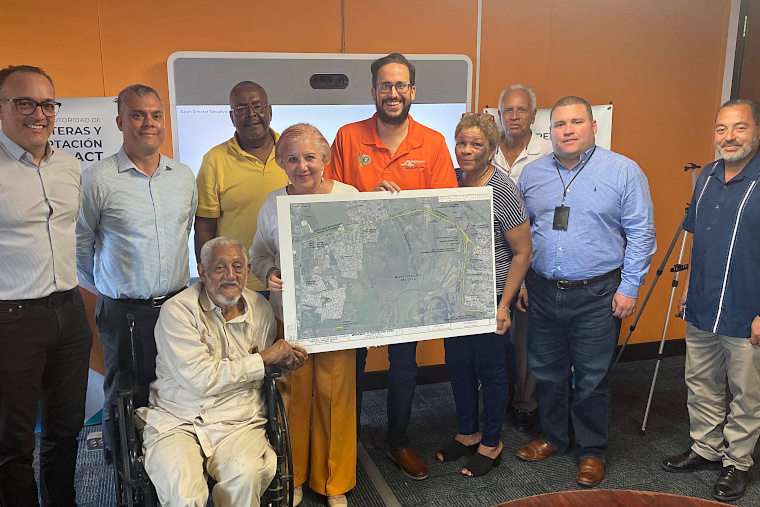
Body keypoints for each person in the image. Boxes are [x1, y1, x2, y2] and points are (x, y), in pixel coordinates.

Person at [324, 52, 457, 480]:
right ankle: (349, 442)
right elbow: (328, 201)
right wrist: (368, 203)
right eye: (386, 85)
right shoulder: (347, 137)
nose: (394, 93)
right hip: (358, 274)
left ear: (413, 92)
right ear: (373, 91)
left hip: (409, 279)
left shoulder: (433, 142)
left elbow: (445, 212)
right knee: (352, 364)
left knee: (404, 367)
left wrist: (405, 212)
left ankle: (398, 441)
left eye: (401, 85)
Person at [515, 96, 656, 487]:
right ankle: (555, 438)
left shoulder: (623, 171)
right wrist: (524, 282)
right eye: (560, 124)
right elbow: (521, 234)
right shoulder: (533, 174)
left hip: (597, 294)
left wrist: (630, 287)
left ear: (593, 126)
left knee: (592, 377)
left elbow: (642, 233)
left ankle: (592, 450)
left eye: (577, 122)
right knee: (547, 372)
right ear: (550, 131)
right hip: (542, 291)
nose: (568, 130)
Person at [136, 236, 308, 507]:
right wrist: (265, 357)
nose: (230, 276)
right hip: (179, 418)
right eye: (220, 268)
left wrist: (282, 365)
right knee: (184, 494)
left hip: (238, 419)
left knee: (245, 476)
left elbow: (263, 370)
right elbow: (201, 379)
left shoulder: (261, 309)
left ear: (248, 271)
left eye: (238, 267)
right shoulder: (177, 311)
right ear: (202, 272)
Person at [76, 84, 197, 462]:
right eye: (138, 115)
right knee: (125, 393)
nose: (149, 123)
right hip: (123, 310)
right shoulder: (98, 178)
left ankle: (171, 461)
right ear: (120, 121)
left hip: (178, 308)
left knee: (175, 388)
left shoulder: (183, 176)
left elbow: (188, 234)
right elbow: (81, 245)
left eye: (156, 115)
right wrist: (111, 289)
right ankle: (123, 465)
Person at [0, 65, 93, 507]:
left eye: (47, 103)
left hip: (69, 314)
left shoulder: (70, 167)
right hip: (12, 319)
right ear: (2, 108)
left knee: (65, 428)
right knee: (13, 442)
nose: (39, 113)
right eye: (24, 102)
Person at [251, 123, 358, 507]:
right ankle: (292, 477)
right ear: (281, 162)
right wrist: (268, 272)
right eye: (292, 158)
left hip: (338, 319)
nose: (302, 166)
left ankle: (334, 482)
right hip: (291, 320)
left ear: (325, 159)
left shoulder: (349, 197)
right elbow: (259, 253)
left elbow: (366, 260)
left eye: (310, 157)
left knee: (336, 397)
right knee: (292, 398)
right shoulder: (272, 204)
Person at [661, 98, 760, 502]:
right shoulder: (706, 175)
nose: (729, 136)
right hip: (702, 301)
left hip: (744, 308)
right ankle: (705, 448)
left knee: (746, 391)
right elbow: (697, 236)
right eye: (721, 128)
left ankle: (737, 463)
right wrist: (687, 287)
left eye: (739, 127)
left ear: (755, 130)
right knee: (700, 382)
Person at [436, 114, 532, 477]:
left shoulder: (503, 189)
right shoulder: (452, 180)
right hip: (454, 297)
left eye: (476, 144)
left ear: (492, 149)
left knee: (491, 372)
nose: (466, 150)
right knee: (459, 367)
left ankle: (492, 443)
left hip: (491, 298)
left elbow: (523, 251)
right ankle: (467, 433)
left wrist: (504, 305)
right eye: (461, 142)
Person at [493, 84, 552, 430]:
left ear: (533, 114)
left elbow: (544, 219)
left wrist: (527, 277)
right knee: (496, 338)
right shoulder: (487, 150)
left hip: (527, 258)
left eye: (521, 110)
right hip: (494, 261)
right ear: (499, 115)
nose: (514, 117)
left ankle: (525, 402)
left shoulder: (547, 152)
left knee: (526, 341)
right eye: (508, 111)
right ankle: (500, 395)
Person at [195, 81, 288, 294]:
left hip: (287, 282)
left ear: (270, 112)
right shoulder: (214, 161)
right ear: (231, 117)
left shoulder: (292, 153)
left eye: (258, 106)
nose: (251, 114)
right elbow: (203, 229)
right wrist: (209, 281)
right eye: (241, 109)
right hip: (236, 285)